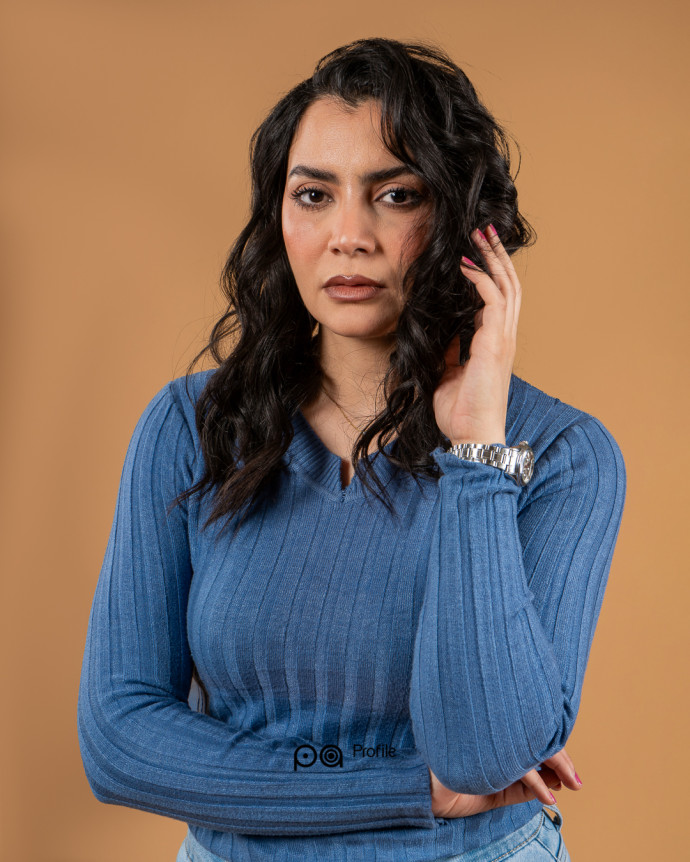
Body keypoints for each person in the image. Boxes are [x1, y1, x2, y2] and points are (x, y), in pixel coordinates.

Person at [77, 37, 626, 862]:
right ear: (278, 218)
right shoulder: (194, 425)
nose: (348, 236)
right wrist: (400, 786)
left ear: (463, 223)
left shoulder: (560, 454)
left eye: (395, 195)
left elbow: (481, 754)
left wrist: (477, 455)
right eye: (314, 195)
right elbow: (120, 741)